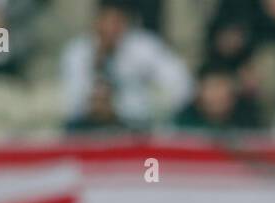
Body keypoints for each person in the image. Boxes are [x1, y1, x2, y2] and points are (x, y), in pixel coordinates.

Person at [60, 0, 192, 131]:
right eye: (105, 21)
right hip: (88, 125)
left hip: (136, 125)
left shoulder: (145, 47)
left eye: (116, 22)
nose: (110, 28)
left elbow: (180, 84)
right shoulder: (77, 52)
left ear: (127, 22)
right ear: (96, 21)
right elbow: (73, 101)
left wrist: (147, 105)